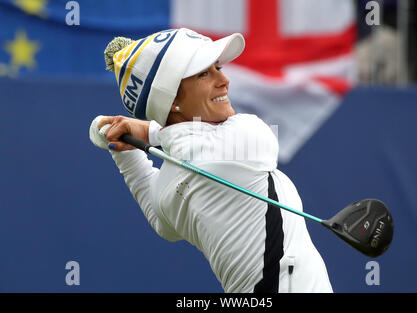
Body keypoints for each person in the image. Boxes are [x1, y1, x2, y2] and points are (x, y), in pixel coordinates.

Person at [89, 28, 333, 293]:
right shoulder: (245, 139)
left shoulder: (168, 186)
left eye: (217, 67)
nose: (224, 80)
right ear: (171, 100)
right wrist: (147, 131)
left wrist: (124, 151)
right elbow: (197, 141)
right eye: (205, 73)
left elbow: (162, 222)